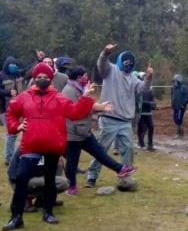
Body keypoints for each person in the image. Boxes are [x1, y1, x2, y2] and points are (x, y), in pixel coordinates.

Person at [2, 63, 96, 231]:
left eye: (46, 77)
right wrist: (16, 126)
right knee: (22, 178)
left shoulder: (59, 98)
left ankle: (48, 212)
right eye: (39, 77)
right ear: (34, 78)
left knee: (50, 180)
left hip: (53, 146)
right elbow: (11, 112)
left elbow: (75, 113)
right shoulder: (24, 97)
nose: (42, 79)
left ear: (51, 79)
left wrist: (86, 97)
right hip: (31, 146)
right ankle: (16, 217)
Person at [84, 44, 152, 187]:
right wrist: (105, 52)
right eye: (126, 61)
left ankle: (125, 177)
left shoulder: (133, 79)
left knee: (128, 149)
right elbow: (101, 63)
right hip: (109, 118)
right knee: (101, 149)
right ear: (121, 60)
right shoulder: (110, 70)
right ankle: (92, 176)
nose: (128, 64)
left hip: (126, 120)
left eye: (130, 62)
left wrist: (149, 77)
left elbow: (143, 89)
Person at [62, 66, 136, 196]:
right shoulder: (69, 91)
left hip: (84, 131)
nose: (87, 77)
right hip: (73, 133)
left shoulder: (80, 89)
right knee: (72, 162)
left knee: (100, 152)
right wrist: (97, 107)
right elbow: (76, 111)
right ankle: (71, 186)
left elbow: (87, 105)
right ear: (79, 77)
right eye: (85, 75)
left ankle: (120, 169)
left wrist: (101, 107)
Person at [0, 56, 25, 166]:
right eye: (12, 65)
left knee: (15, 134)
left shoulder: (18, 74)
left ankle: (13, 156)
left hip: (19, 109)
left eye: (15, 65)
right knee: (12, 133)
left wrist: (39, 60)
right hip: (5, 109)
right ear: (6, 65)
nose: (14, 67)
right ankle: (9, 158)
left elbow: (29, 71)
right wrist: (8, 92)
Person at [170, 74, 188, 138]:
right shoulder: (173, 88)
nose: (175, 82)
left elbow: (187, 97)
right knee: (175, 119)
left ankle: (179, 133)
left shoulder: (184, 87)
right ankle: (180, 132)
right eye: (174, 81)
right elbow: (172, 96)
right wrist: (172, 104)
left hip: (181, 107)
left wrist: (183, 104)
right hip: (175, 106)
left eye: (176, 80)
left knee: (179, 119)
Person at [137, 86, 156, 151]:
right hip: (140, 113)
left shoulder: (150, 92)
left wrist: (153, 105)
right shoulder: (139, 91)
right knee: (141, 128)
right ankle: (141, 143)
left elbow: (153, 102)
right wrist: (149, 103)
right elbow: (139, 102)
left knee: (151, 127)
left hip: (148, 113)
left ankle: (150, 144)